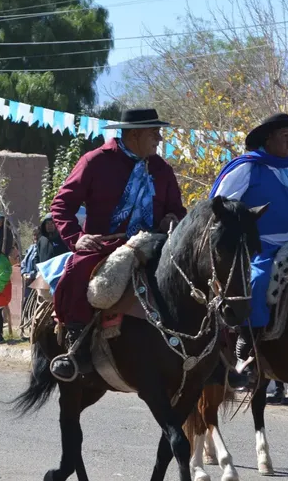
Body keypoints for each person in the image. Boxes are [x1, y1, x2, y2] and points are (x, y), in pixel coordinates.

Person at [49, 108, 187, 381]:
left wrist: (171, 218)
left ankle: (212, 352)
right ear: (134, 134)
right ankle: (76, 344)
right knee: (79, 271)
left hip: (153, 244)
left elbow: (177, 210)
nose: (159, 139)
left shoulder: (161, 169)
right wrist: (77, 239)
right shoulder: (95, 161)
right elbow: (61, 205)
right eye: (153, 133)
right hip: (106, 245)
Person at [210, 113, 288, 380]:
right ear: (267, 138)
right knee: (258, 280)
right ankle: (247, 338)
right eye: (285, 135)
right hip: (263, 246)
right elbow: (219, 205)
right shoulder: (246, 168)